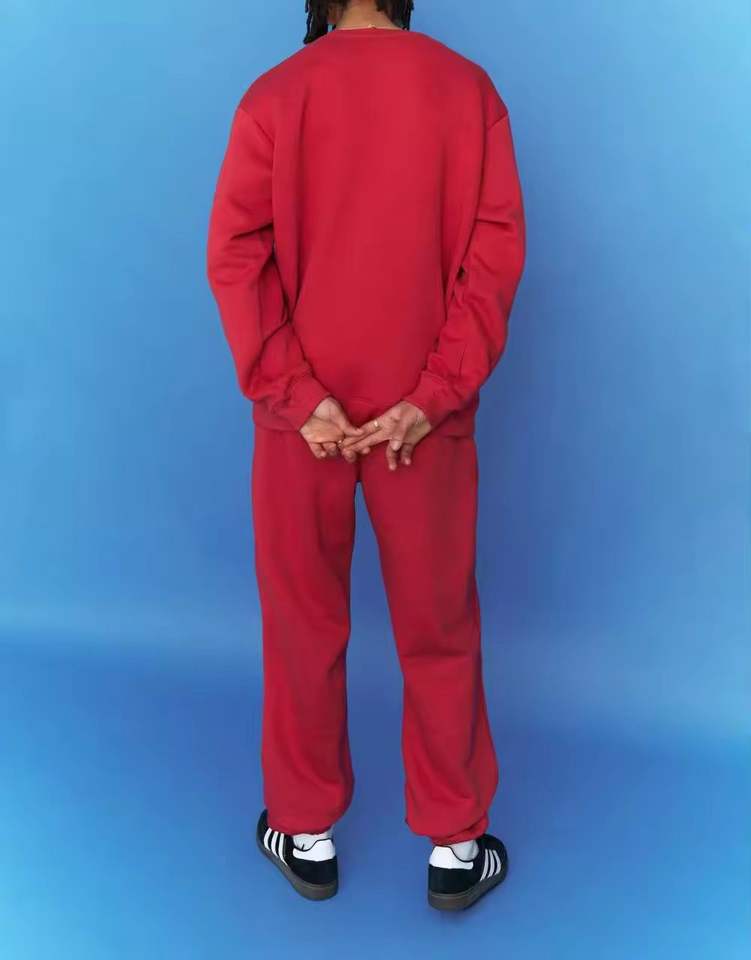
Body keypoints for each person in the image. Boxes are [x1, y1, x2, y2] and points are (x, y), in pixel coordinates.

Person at [206, 0, 525, 911]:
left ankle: (303, 829)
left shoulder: (274, 96)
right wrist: (431, 396)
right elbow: (492, 259)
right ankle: (456, 843)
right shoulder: (467, 92)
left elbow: (236, 255)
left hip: (303, 425)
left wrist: (296, 394)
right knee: (439, 623)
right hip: (420, 422)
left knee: (302, 621)